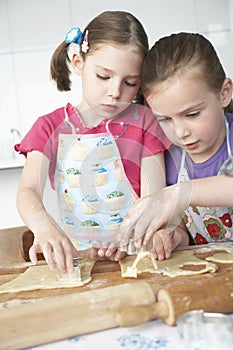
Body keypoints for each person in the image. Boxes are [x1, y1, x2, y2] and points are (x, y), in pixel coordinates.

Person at [15, 11, 170, 273]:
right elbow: (27, 191)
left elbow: (153, 200)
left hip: (135, 262)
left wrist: (132, 235)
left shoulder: (145, 124)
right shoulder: (50, 127)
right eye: (104, 76)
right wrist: (43, 226)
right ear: (78, 62)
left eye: (130, 83)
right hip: (75, 264)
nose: (115, 92)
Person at [118, 32, 233, 260]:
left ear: (224, 93)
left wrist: (178, 194)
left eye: (192, 114)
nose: (181, 132)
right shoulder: (171, 159)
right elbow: (184, 225)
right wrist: (172, 236)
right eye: (165, 119)